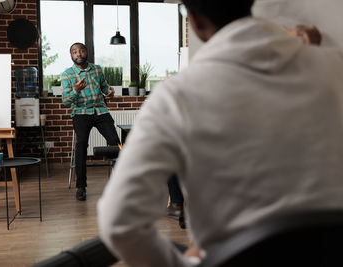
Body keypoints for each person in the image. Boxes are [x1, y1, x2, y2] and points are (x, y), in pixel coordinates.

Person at [97, 0, 343, 266]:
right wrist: (314, 53)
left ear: (194, 19)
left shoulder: (177, 95)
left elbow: (119, 224)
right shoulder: (334, 66)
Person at [62, 42, 120, 201]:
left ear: (86, 53)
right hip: (80, 113)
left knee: (115, 142)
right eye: (74, 52)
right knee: (81, 144)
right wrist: (76, 91)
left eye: (81, 51)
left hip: (100, 111)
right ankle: (81, 187)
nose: (78, 54)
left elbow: (105, 88)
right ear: (71, 56)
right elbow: (66, 102)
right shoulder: (67, 74)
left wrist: (110, 93)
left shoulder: (97, 69)